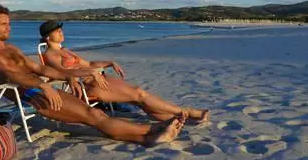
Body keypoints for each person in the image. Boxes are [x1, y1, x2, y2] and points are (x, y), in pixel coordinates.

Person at [0, 5, 186, 146]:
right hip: (29, 94)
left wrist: (64, 76)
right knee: (94, 117)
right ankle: (152, 131)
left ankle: (150, 136)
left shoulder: (12, 49)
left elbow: (40, 69)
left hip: (37, 89)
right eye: (4, 24)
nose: (9, 27)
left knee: (94, 116)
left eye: (9, 23)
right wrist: (44, 86)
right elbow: (9, 74)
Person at [39, 20, 209, 124]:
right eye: (57, 31)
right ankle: (185, 112)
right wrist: (90, 72)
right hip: (88, 86)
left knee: (138, 99)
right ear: (48, 37)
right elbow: (62, 72)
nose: (61, 32)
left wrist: (109, 62)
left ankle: (176, 119)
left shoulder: (66, 51)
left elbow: (90, 63)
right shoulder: (51, 54)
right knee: (138, 94)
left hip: (97, 79)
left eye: (61, 30)